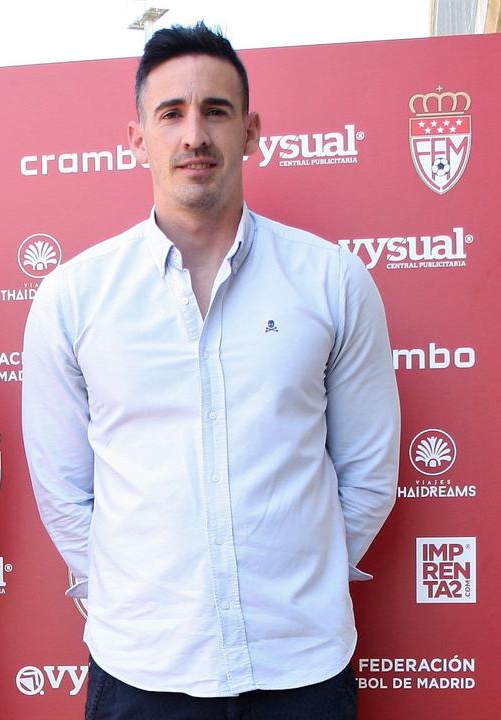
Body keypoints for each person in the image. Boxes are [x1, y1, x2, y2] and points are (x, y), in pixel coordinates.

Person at [21, 23, 399, 720]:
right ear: (138, 138)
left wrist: (299, 581)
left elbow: (368, 475)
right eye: (171, 113)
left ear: (250, 132)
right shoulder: (73, 298)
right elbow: (64, 493)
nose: (194, 135)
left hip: (302, 667)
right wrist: (139, 601)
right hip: (140, 669)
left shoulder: (333, 282)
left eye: (216, 111)